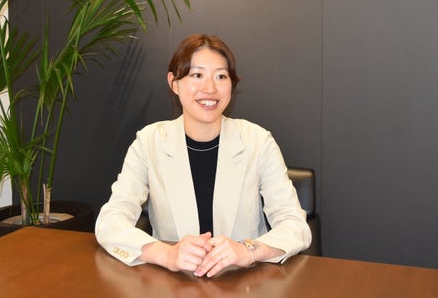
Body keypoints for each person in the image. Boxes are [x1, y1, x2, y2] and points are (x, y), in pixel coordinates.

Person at [95, 34, 311, 277]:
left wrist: (249, 250)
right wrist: (166, 254)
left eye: (221, 76)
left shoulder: (258, 141)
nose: (210, 89)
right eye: (197, 75)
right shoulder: (149, 142)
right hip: (174, 283)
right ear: (174, 83)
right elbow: (110, 221)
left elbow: (294, 224)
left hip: (244, 281)